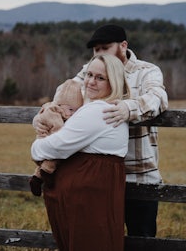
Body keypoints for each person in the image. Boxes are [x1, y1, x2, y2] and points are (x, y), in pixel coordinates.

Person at [33, 24, 168, 237]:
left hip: (139, 172)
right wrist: (43, 118)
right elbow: (63, 96)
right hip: (99, 178)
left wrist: (127, 108)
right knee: (101, 236)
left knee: (142, 239)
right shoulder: (90, 71)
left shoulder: (146, 71)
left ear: (123, 46)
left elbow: (158, 98)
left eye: (105, 48)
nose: (99, 54)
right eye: (96, 50)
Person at [31, 54, 130, 251]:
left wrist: (35, 148)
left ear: (115, 81)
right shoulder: (104, 108)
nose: (91, 82)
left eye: (100, 78)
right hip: (89, 198)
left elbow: (54, 147)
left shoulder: (98, 111)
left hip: (86, 202)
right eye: (89, 74)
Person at [29, 79, 83, 196]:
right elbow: (59, 136)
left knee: (47, 163)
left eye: (76, 111)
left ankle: (36, 178)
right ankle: (47, 175)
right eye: (70, 109)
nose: (72, 114)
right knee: (52, 161)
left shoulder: (59, 111)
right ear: (59, 105)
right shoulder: (54, 114)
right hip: (48, 138)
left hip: (47, 141)